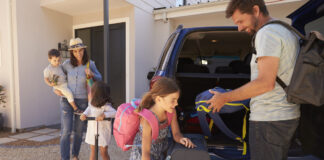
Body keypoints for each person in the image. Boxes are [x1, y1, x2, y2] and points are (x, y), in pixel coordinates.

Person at [206, 0, 300, 159]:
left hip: (269, 120)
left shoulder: (267, 33)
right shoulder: (286, 30)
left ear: (256, 11)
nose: (239, 28)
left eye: (241, 21)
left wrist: (224, 98)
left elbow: (265, 83)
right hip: (285, 116)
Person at [54, 37, 102, 160]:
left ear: (84, 50)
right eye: (75, 51)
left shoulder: (90, 63)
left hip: (83, 102)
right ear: (71, 52)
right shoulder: (66, 65)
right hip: (67, 101)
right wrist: (54, 88)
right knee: (66, 131)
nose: (78, 53)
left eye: (80, 50)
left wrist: (92, 74)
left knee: (79, 131)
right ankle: (65, 158)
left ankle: (75, 155)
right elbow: (57, 78)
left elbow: (100, 78)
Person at [129, 77, 196, 160]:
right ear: (159, 99)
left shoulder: (172, 111)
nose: (176, 103)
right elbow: (145, 152)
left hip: (160, 152)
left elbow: (176, 134)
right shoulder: (147, 119)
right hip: (144, 155)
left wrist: (181, 139)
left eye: (177, 100)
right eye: (173, 100)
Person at [80, 81, 116, 160]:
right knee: (93, 151)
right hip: (92, 131)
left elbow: (115, 113)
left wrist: (104, 115)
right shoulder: (91, 102)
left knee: (103, 152)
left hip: (103, 132)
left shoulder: (106, 105)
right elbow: (89, 108)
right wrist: (84, 114)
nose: (90, 93)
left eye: (91, 91)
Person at [44, 49, 82, 113]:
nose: (57, 62)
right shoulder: (48, 69)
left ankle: (72, 103)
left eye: (58, 60)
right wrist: (51, 84)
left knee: (70, 92)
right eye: (54, 61)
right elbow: (46, 79)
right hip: (59, 86)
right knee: (69, 93)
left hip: (65, 83)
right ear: (49, 60)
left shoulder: (60, 66)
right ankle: (75, 108)